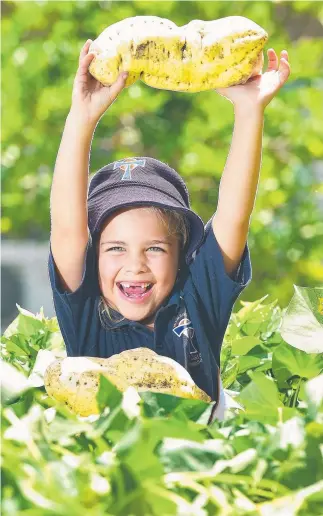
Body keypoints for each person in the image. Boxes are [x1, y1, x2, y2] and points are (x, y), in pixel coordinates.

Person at [48, 39, 290, 421]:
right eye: (115, 248)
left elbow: (232, 216)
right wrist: (82, 115)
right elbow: (66, 228)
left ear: (182, 257)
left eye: (155, 249)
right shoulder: (86, 311)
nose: (135, 265)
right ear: (92, 257)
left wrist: (249, 112)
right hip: (110, 473)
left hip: (200, 464)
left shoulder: (197, 300)